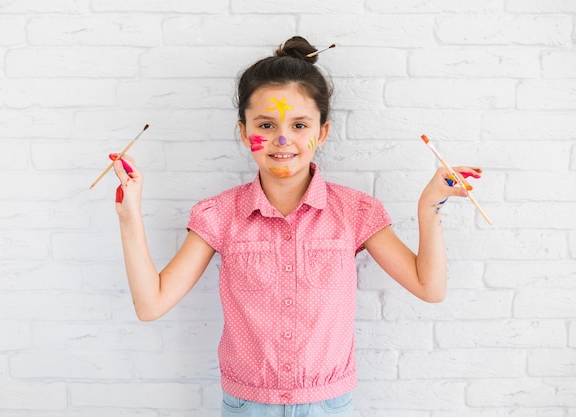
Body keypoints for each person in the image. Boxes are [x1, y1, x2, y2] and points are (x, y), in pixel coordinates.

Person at [110, 36, 482, 416]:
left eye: (299, 124)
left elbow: (429, 288)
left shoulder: (356, 211)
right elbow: (151, 304)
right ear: (243, 133)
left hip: (329, 404)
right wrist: (129, 215)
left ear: (321, 132)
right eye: (266, 125)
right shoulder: (218, 214)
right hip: (248, 406)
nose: (282, 139)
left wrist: (429, 206)